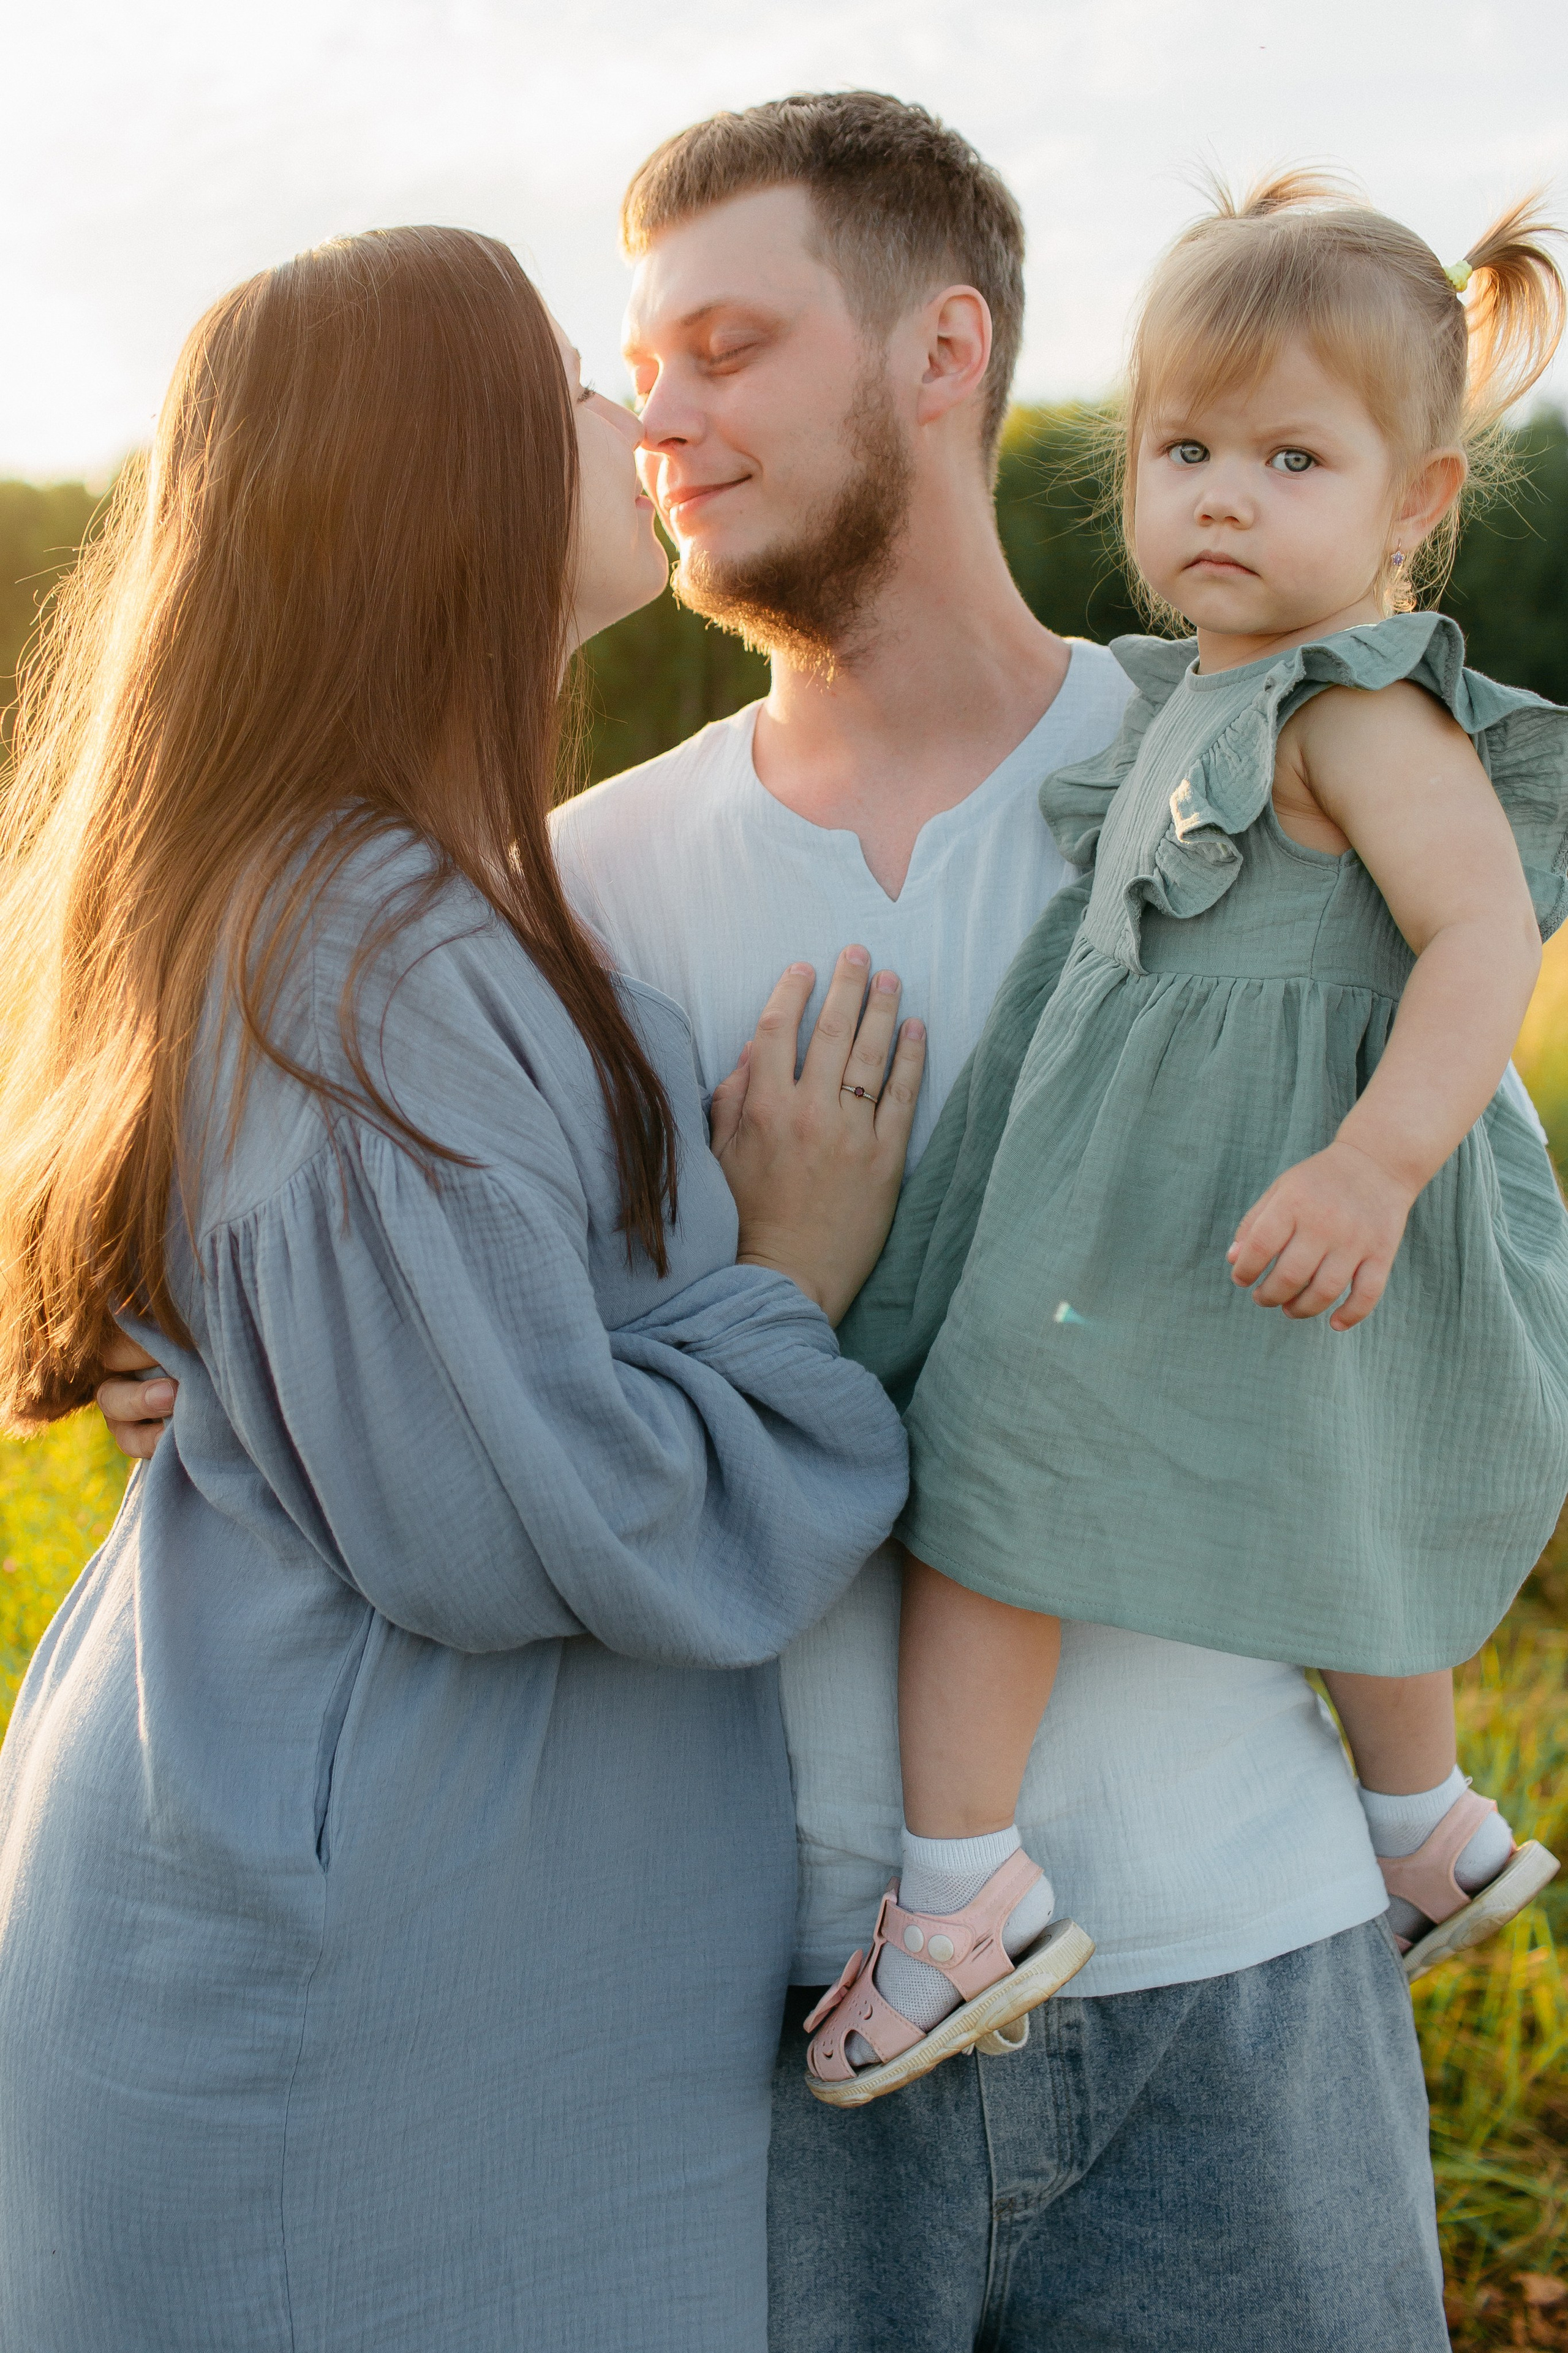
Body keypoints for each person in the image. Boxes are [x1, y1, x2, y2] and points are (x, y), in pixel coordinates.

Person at [99, 96, 1462, 2352]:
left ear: (944, 354)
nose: (659, 414)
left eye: (728, 345)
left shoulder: (1266, 778)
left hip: (1239, 1968)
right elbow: (433, 1328)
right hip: (743, 2031)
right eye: (640, 362)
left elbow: (1463, 1303)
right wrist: (214, 1358)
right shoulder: (564, 892)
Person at [0, 223, 923, 2353]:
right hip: (358, 1999)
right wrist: (788, 1274)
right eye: (571, 384)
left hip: (372, 1923)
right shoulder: (369, 953)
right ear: (447, 479)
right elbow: (532, 1512)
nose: (633, 417)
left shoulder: (363, 900)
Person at [805, 172, 1568, 2106]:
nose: (1223, 493)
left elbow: (1485, 936)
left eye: (1294, 456)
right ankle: (1428, 1830)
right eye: (1186, 448)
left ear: (1417, 504)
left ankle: (958, 1902)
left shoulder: (1363, 712)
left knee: (983, 1507)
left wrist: (1381, 1161)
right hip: (1164, 1201)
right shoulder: (1184, 699)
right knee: (1337, 1492)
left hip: (1293, 1191)